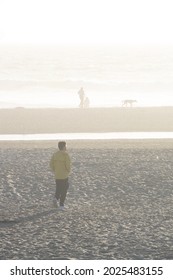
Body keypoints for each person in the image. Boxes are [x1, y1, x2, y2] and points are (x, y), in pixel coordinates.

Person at [50, 141, 71, 210]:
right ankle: (61, 205)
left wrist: (54, 170)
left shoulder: (55, 154)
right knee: (64, 190)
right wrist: (68, 171)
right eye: (66, 146)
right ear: (64, 147)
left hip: (57, 175)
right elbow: (68, 165)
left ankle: (55, 198)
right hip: (64, 175)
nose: (66, 147)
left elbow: (51, 164)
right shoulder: (66, 155)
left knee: (58, 188)